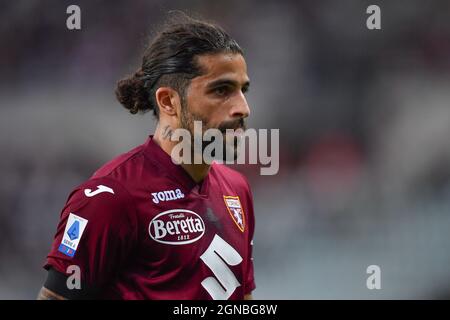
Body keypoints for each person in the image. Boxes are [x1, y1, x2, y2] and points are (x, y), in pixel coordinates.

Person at [38, 14, 255, 300]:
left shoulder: (236, 189)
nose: (243, 108)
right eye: (221, 90)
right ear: (168, 101)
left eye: (243, 90)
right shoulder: (109, 198)